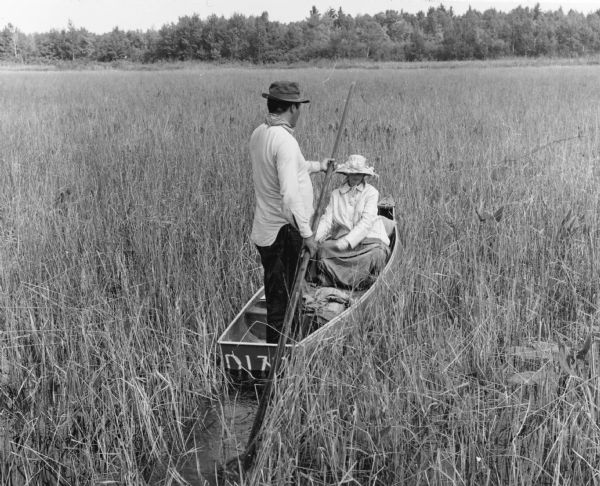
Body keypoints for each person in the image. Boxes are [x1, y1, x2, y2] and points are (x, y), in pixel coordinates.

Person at [250, 81, 333, 343]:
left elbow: (291, 170)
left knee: (282, 290)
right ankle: (280, 353)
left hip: (266, 229)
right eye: (299, 107)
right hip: (284, 232)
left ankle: (290, 341)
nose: (300, 112)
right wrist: (307, 234)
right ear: (293, 108)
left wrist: (319, 166)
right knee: (283, 295)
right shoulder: (284, 140)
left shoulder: (260, 133)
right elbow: (289, 194)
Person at [314, 154, 390, 290]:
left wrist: (348, 241)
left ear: (364, 175)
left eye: (360, 173)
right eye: (352, 173)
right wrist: (314, 239)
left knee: (378, 253)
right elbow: (327, 220)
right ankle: (334, 281)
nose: (356, 176)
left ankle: (364, 283)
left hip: (368, 241)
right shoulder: (336, 194)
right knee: (321, 250)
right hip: (343, 243)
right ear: (347, 174)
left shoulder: (371, 192)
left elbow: (366, 222)